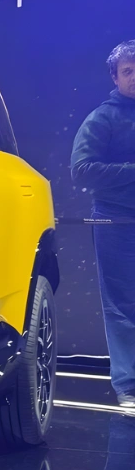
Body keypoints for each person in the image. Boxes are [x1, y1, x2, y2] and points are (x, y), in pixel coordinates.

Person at [71, 40, 135, 406]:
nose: (134, 77)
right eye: (128, 71)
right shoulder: (102, 118)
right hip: (117, 224)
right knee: (122, 305)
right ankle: (128, 385)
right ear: (115, 77)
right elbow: (82, 171)